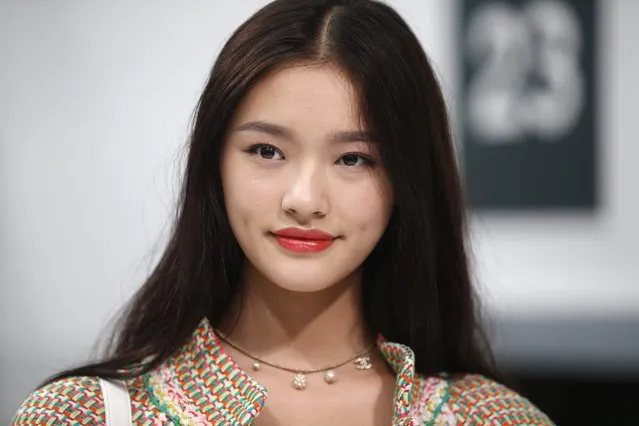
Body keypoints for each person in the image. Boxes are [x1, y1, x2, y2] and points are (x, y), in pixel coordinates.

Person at [13, 0, 554, 424]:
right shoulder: (86, 415)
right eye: (267, 151)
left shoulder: (493, 418)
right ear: (214, 164)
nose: (304, 198)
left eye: (354, 158)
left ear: (407, 182)